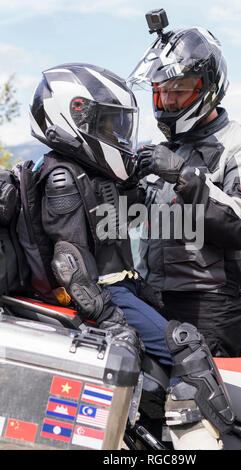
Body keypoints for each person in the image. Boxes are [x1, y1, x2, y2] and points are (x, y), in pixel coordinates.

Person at [128, 24, 241, 358]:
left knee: (203, 407)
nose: (168, 100)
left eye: (179, 90)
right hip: (151, 300)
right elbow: (126, 220)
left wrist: (184, 175)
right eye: (160, 91)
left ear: (208, 87)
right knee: (146, 406)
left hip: (209, 309)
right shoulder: (161, 148)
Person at [26, 62, 172, 369]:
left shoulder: (87, 171)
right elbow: (69, 263)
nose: (116, 134)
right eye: (107, 124)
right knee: (185, 348)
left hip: (119, 287)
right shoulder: (63, 177)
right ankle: (186, 417)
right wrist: (111, 320)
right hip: (106, 294)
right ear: (74, 116)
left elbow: (117, 227)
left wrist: (133, 180)